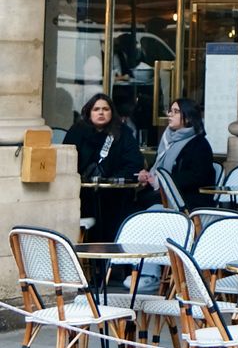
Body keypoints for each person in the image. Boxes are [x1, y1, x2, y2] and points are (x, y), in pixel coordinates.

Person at [66, 91, 143, 241]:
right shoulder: (77, 132)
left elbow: (134, 162)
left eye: (105, 109)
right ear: (89, 113)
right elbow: (67, 162)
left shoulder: (123, 133)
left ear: (112, 112)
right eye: (96, 109)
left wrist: (114, 178)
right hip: (82, 195)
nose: (101, 112)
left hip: (114, 197)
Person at [136, 96, 216, 211]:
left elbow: (197, 176)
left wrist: (163, 182)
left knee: (140, 205)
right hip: (165, 195)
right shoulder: (168, 140)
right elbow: (158, 166)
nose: (170, 114)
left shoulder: (199, 144)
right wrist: (147, 174)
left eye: (176, 112)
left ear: (188, 117)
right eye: (170, 111)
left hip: (187, 199)